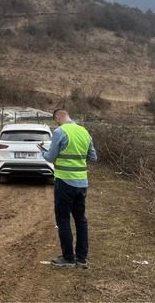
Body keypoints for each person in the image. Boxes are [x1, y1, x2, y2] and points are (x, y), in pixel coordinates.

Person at [37, 109, 97, 268]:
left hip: (64, 182)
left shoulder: (60, 132)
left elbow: (50, 157)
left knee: (63, 219)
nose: (56, 123)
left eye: (56, 120)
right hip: (82, 183)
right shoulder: (84, 131)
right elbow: (93, 157)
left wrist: (42, 152)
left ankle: (68, 258)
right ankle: (82, 258)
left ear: (58, 118)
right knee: (81, 219)